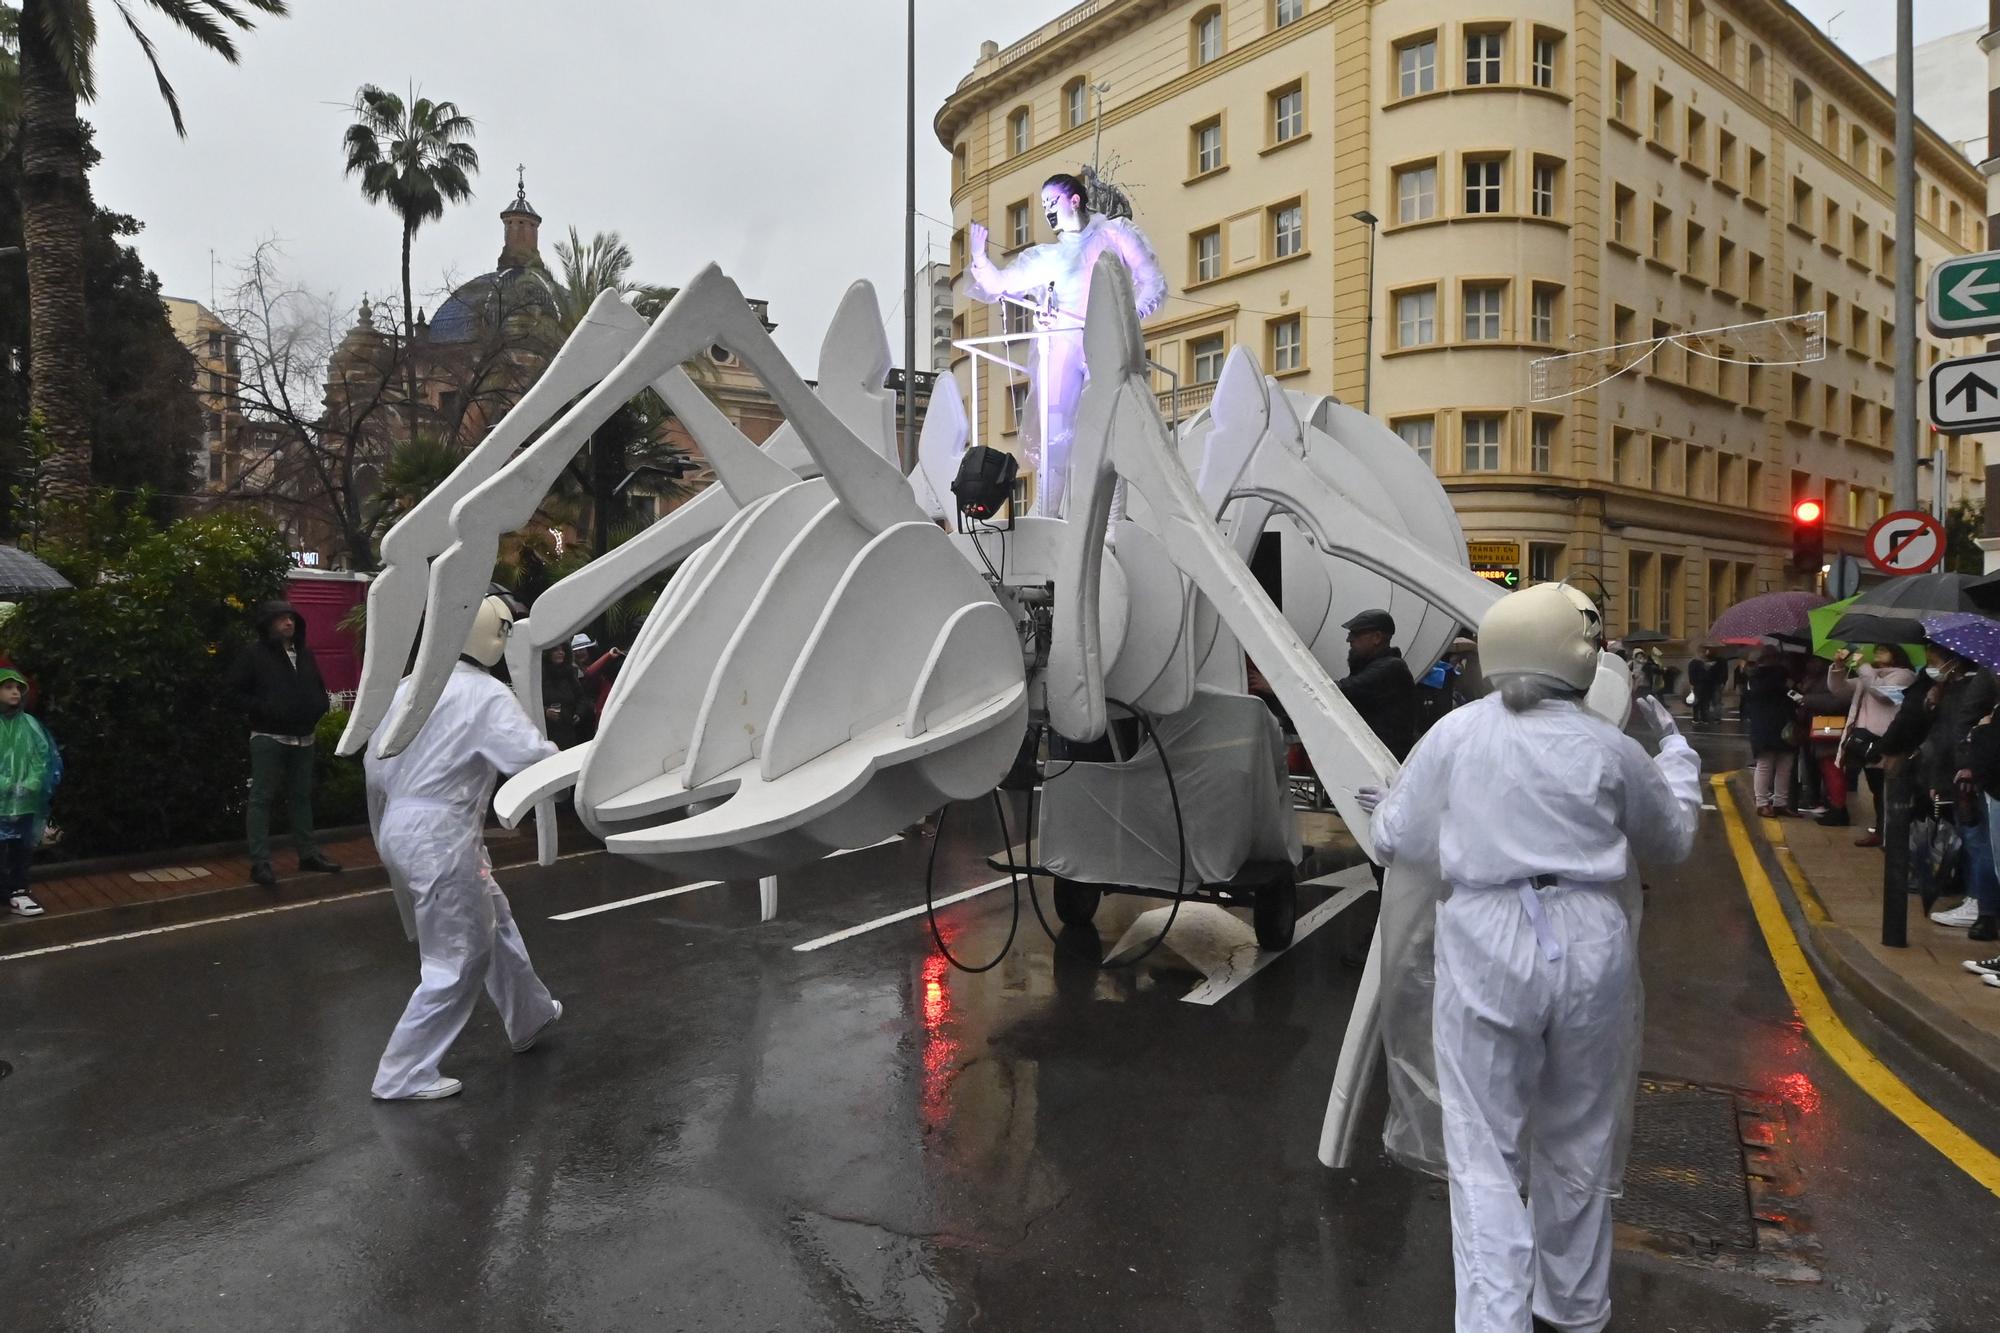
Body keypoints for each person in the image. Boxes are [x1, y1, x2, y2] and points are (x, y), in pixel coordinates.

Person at [1362, 582, 1701, 1333]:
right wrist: (1678, 755)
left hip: (1486, 934)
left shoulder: (1456, 734)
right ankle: (1574, 1305)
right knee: (1576, 1130)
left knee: (1483, 1145)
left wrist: (1380, 805)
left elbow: (1395, 836)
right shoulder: (1608, 746)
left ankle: (1495, 1319)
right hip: (1590, 936)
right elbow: (1671, 840)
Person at [367, 594, 563, 1101]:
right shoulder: (485, 694)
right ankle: (403, 1073)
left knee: (493, 921)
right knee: (459, 953)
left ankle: (530, 1014)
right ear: (496, 635)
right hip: (442, 833)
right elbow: (530, 759)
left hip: (403, 824)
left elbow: (375, 766)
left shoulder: (412, 688)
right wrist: (576, 764)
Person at [966, 171, 1166, 517]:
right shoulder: (1049, 257)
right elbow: (1000, 284)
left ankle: (1110, 524)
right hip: (1061, 347)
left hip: (1103, 349)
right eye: (1043, 205)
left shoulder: (1114, 235)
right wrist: (980, 258)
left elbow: (1152, 282)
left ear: (1074, 200)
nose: (1047, 211)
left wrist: (1123, 320)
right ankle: (1047, 517)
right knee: (1054, 437)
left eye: (1052, 202)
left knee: (1107, 430)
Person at [226, 600, 340, 888]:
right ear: (268, 624)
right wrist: (263, 709)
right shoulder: (253, 655)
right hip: (268, 737)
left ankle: (308, 854)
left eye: (291, 618)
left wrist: (319, 706)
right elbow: (233, 692)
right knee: (261, 798)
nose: (288, 623)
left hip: (304, 736)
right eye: (281, 619)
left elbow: (316, 686)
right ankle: (260, 862)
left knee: (301, 797)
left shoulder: (304, 654)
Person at [1913, 646, 1998, 933]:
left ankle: (1982, 906)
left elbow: (1958, 728)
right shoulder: (1954, 685)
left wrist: (1961, 771)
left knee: (1979, 841)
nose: (1932, 664)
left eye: (1935, 658)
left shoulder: (1980, 679)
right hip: (1975, 768)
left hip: (1977, 771)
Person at [1829, 646, 1916, 847]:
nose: (1877, 653)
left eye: (1884, 650)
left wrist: (1863, 667)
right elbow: (1839, 690)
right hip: (1865, 741)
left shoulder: (1905, 676)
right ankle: (1880, 830)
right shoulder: (1870, 674)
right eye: (1876, 650)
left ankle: (1888, 834)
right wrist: (1838, 667)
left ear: (1897, 655)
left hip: (1885, 739)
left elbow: (1883, 695)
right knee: (1876, 788)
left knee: (1887, 789)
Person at [0, 668, 60, 917]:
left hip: (25, 802)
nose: (15, 692)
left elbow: (43, 756)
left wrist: (33, 782)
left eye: (18, 687)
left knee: (21, 848)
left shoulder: (31, 725)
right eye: (7, 687)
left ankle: (18, 892)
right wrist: (6, 785)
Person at [1337, 608, 1416, 760]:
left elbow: (1344, 691)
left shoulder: (1391, 668)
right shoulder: (1371, 667)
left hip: (1384, 765)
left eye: (1356, 633)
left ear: (1377, 637)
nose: (1349, 639)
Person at [1743, 647, 1798, 818]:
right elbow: (1788, 696)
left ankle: (1773, 802)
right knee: (1773, 765)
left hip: (1770, 726)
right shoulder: (1765, 678)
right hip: (1774, 725)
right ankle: (1766, 802)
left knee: (1777, 765)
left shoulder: (1756, 677)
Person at [541, 644, 588, 749]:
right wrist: (545, 712)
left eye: (563, 650)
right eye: (556, 650)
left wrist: (579, 713)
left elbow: (581, 697)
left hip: (570, 728)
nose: (561, 652)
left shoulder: (569, 673)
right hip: (548, 732)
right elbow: (532, 701)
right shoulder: (539, 675)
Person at [1686, 645, 1724, 724]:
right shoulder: (1695, 662)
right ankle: (1697, 718)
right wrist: (1692, 683)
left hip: (1706, 685)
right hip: (1698, 685)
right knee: (1697, 702)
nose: (1704, 653)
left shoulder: (1706, 662)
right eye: (1702, 652)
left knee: (1705, 702)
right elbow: (1692, 674)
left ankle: (1703, 717)